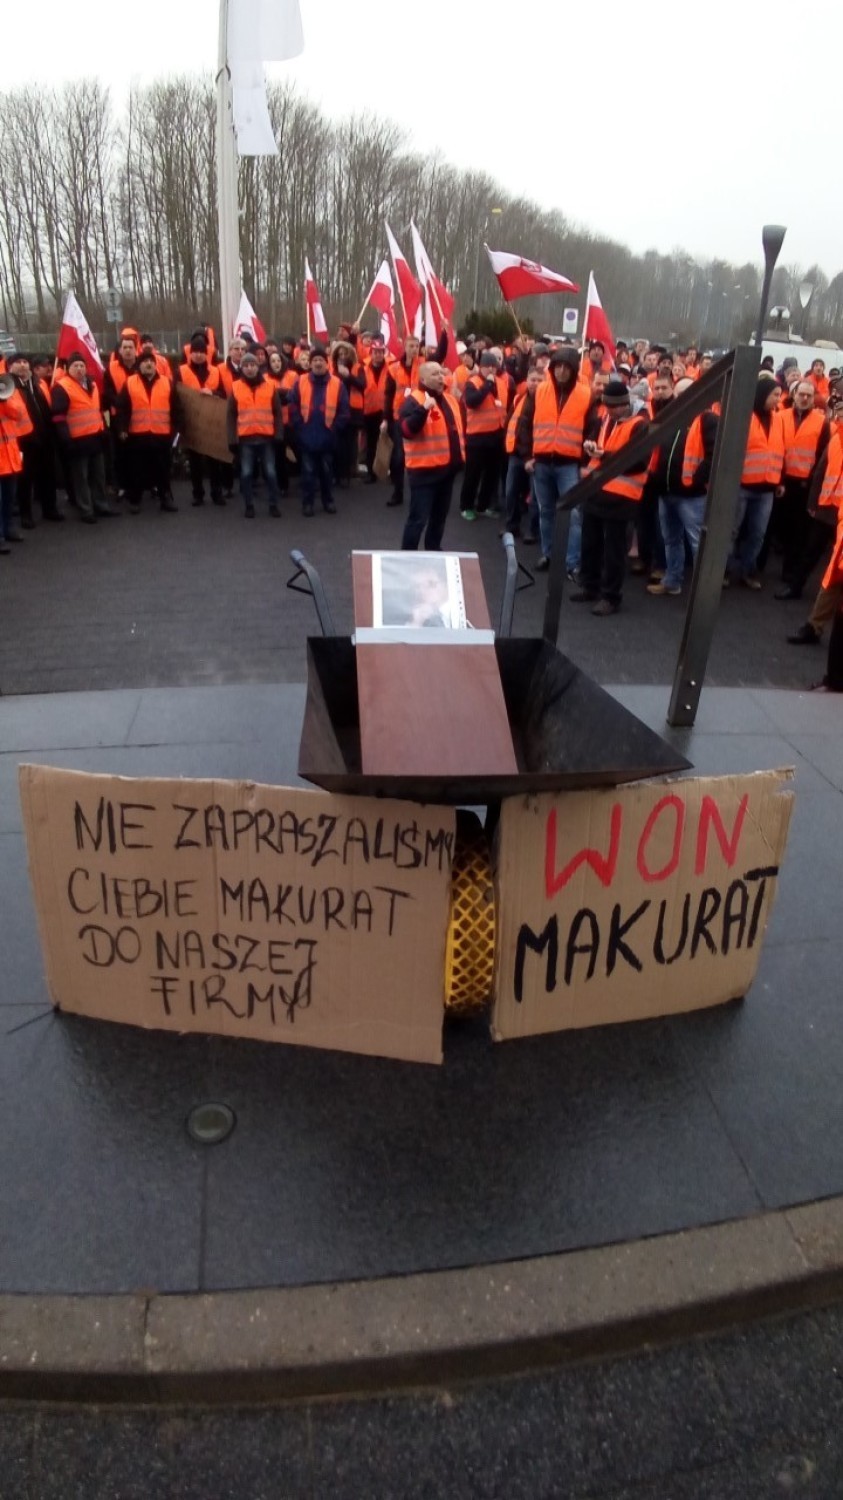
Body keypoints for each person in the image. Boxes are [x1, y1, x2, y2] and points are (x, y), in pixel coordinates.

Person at [570, 378, 649, 615]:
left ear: (625, 403)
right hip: (596, 491)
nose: (610, 410)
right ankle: (590, 586)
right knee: (590, 544)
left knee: (614, 551)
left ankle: (611, 597)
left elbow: (638, 461)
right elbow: (596, 444)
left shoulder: (640, 425)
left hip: (622, 497)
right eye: (607, 406)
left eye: (614, 406)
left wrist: (604, 455)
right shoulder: (604, 418)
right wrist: (590, 447)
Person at [521, 346, 593, 572]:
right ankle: (549, 554)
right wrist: (526, 456)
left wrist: (584, 463)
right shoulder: (539, 390)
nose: (561, 371)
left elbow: (592, 430)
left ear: (574, 370)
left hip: (569, 464)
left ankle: (571, 562)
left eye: (566, 367)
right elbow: (525, 424)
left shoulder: (585, 394)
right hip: (541, 462)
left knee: (572, 515)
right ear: (552, 368)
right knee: (545, 511)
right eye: (558, 366)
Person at [647, 378, 719, 596]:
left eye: (685, 393)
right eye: (678, 394)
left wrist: (696, 481)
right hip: (666, 491)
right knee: (671, 540)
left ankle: (704, 591)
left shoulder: (708, 419)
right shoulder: (670, 417)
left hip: (691, 494)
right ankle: (672, 580)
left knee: (697, 542)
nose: (681, 398)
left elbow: (714, 453)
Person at [770, 380, 830, 592]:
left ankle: (789, 570)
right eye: (801, 394)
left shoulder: (822, 422)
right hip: (780, 479)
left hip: (804, 484)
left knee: (798, 531)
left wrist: (812, 482)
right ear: (794, 395)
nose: (805, 398)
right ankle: (756, 567)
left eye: (809, 395)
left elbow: (823, 455)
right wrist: (778, 478)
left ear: (814, 399)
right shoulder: (779, 417)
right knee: (774, 525)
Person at [725, 374, 784, 589]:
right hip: (742, 485)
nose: (779, 399)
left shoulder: (779, 419)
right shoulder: (743, 416)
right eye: (775, 395)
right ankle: (724, 571)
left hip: (767, 488)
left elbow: (781, 450)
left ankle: (748, 571)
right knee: (732, 531)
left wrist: (780, 481)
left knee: (757, 533)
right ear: (762, 395)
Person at [398, 361, 464, 550]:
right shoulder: (414, 400)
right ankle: (407, 555)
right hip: (424, 473)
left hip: (446, 472)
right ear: (423, 379)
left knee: (439, 519)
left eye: (442, 373)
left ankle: (433, 550)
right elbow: (406, 431)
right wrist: (423, 410)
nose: (441, 377)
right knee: (418, 520)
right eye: (435, 374)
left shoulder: (450, 400)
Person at [51, 354, 115, 524]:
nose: (79, 369)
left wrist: (104, 430)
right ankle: (86, 510)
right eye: (75, 366)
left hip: (95, 438)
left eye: (81, 366)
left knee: (99, 476)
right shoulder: (61, 388)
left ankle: (101, 505)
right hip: (77, 441)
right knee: (81, 478)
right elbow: (58, 418)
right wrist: (67, 440)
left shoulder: (92, 384)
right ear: (68, 369)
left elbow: (97, 411)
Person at [287, 344, 348, 517]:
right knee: (307, 473)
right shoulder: (300, 381)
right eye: (315, 360)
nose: (318, 363)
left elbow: (344, 411)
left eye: (321, 360)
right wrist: (299, 426)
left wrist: (334, 429)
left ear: (327, 362)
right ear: (310, 363)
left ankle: (328, 501)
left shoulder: (337, 384)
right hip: (306, 437)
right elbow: (292, 404)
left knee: (327, 473)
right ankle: (308, 504)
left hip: (328, 437)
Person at [115, 349, 178, 513]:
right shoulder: (129, 383)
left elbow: (176, 409)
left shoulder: (167, 382)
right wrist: (122, 428)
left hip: (161, 434)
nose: (149, 364)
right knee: (136, 470)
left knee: (163, 469)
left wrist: (175, 431)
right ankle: (135, 500)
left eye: (151, 361)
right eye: (144, 362)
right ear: (139, 365)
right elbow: (121, 408)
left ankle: (166, 498)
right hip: (138, 434)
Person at [226, 348, 284, 518]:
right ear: (242, 368)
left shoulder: (270, 386)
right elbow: (230, 415)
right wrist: (232, 439)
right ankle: (249, 505)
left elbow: (278, 413)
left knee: (271, 473)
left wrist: (279, 434)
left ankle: (273, 504)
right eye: (246, 365)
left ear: (258, 367)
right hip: (245, 439)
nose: (250, 368)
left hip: (266, 438)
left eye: (253, 365)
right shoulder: (235, 387)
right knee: (246, 474)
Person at [7, 352, 62, 524]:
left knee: (48, 475)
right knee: (26, 479)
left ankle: (50, 509)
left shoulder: (38, 384)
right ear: (10, 367)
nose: (22, 365)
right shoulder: (8, 387)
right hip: (23, 439)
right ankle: (26, 515)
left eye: (25, 362)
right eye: (18, 362)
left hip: (44, 436)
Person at [459, 350, 511, 520]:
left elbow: (505, 406)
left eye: (493, 367)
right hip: (477, 436)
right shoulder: (472, 383)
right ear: (480, 367)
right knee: (473, 474)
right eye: (487, 367)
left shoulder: (502, 384)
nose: (491, 370)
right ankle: (466, 506)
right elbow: (472, 402)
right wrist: (487, 385)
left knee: (491, 474)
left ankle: (483, 505)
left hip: (496, 435)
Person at [175, 336, 226, 507]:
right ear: (190, 353)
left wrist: (213, 393)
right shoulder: (181, 371)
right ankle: (198, 494)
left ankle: (216, 493)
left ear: (207, 354)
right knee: (195, 461)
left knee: (214, 461)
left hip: (210, 422)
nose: (198, 355)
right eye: (195, 352)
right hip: (191, 421)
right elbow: (175, 395)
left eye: (202, 352)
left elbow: (223, 394)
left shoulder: (215, 371)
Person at [502, 365, 543, 541]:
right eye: (533, 379)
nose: (535, 384)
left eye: (540, 380)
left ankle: (533, 531)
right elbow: (510, 422)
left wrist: (531, 456)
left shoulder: (546, 403)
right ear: (527, 380)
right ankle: (511, 526)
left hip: (535, 458)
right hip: (516, 454)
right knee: (510, 493)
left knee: (535, 498)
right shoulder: (518, 398)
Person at [0, 379, 33, 552]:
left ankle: (8, 529)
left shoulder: (10, 393)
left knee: (8, 499)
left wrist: (5, 400)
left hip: (10, 457)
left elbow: (19, 413)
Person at [361, 335, 389, 482]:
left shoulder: (390, 367)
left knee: (389, 442)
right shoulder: (363, 369)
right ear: (371, 353)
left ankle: (389, 471)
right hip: (369, 411)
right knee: (370, 443)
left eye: (380, 351)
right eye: (375, 352)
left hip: (385, 410)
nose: (378, 354)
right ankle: (371, 473)